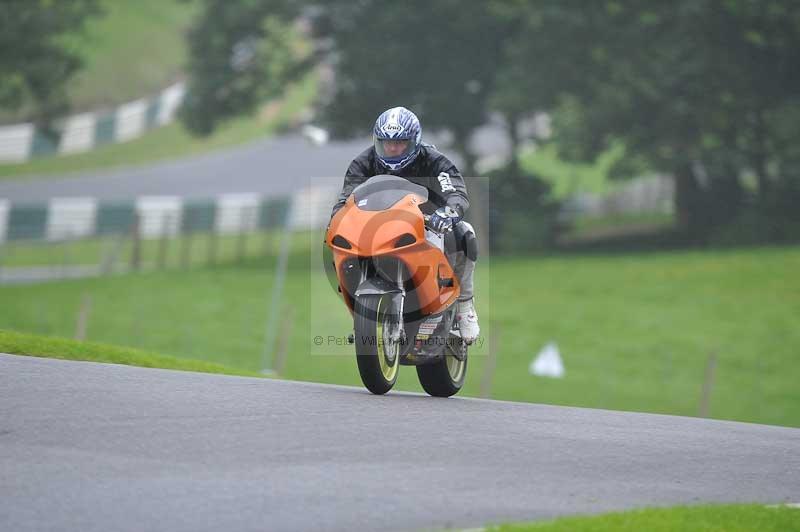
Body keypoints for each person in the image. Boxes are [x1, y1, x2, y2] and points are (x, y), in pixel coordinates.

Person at [330, 106, 480, 344]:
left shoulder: (433, 160)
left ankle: (464, 306)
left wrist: (449, 212)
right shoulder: (363, 163)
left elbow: (456, 191)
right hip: (380, 226)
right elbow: (346, 198)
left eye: (400, 143)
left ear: (415, 141)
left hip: (428, 222)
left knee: (466, 232)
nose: (391, 149)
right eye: (385, 143)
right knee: (340, 245)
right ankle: (359, 314)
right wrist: (337, 221)